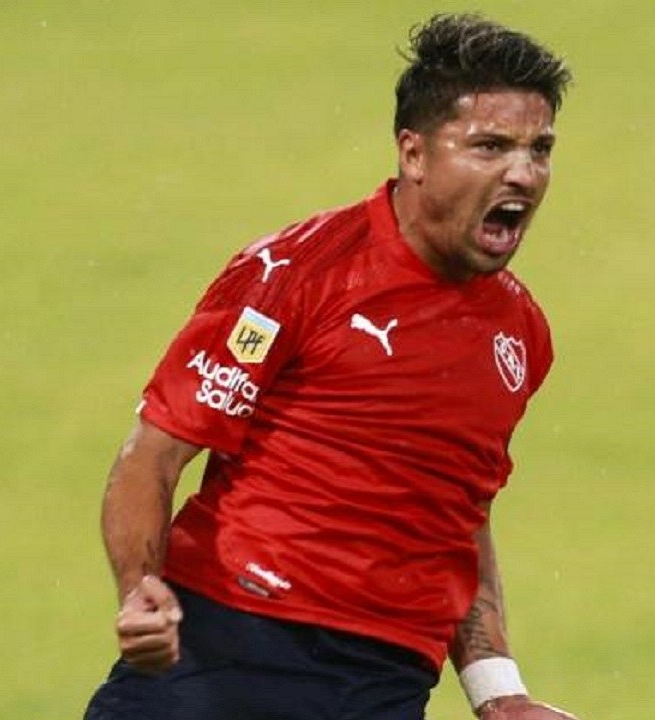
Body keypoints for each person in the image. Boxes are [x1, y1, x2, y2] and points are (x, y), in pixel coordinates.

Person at [84, 13, 578, 720]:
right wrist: (140, 592)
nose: (523, 173)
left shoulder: (520, 333)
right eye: (490, 146)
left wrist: (497, 691)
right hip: (223, 650)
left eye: (540, 148)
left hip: (382, 683)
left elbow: (457, 509)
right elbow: (155, 453)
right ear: (414, 153)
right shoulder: (297, 273)